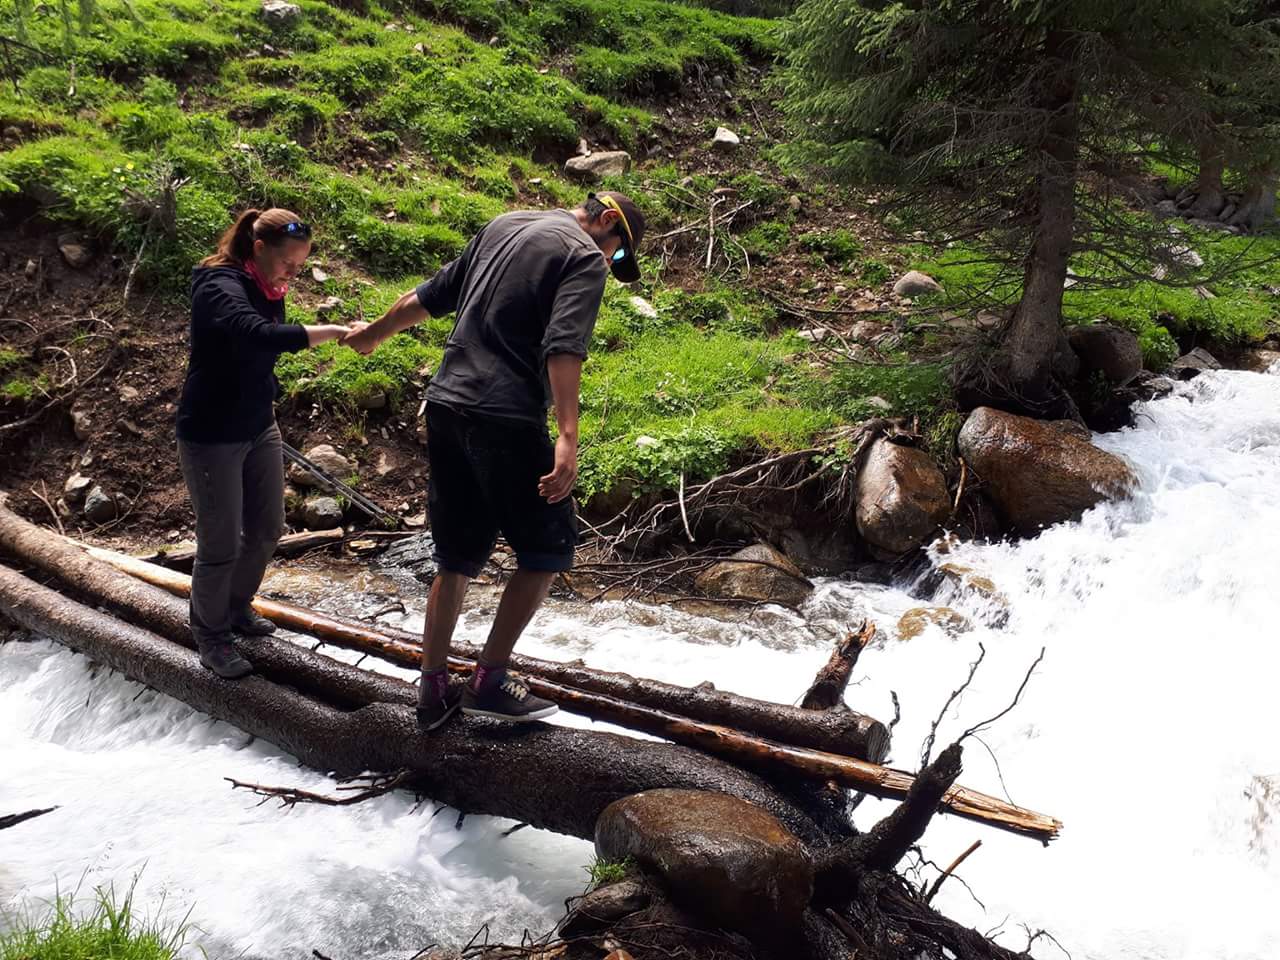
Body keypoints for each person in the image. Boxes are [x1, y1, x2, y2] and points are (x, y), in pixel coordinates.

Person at [345, 191, 646, 729]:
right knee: (546, 549)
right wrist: (568, 437)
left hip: (446, 406)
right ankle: (489, 680)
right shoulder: (581, 255)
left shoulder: (504, 224)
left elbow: (429, 296)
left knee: (456, 556)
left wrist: (375, 333)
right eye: (618, 254)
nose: (611, 264)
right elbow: (564, 345)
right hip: (503, 415)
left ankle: (432, 690)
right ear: (606, 222)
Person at [177, 208, 360, 679]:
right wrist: (334, 333)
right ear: (258, 249)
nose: (293, 275)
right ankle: (210, 636)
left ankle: (236, 609)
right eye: (288, 264)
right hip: (213, 432)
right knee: (219, 543)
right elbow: (256, 335)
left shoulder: (265, 283)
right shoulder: (217, 284)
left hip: (259, 424)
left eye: (300, 266)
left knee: (267, 528)